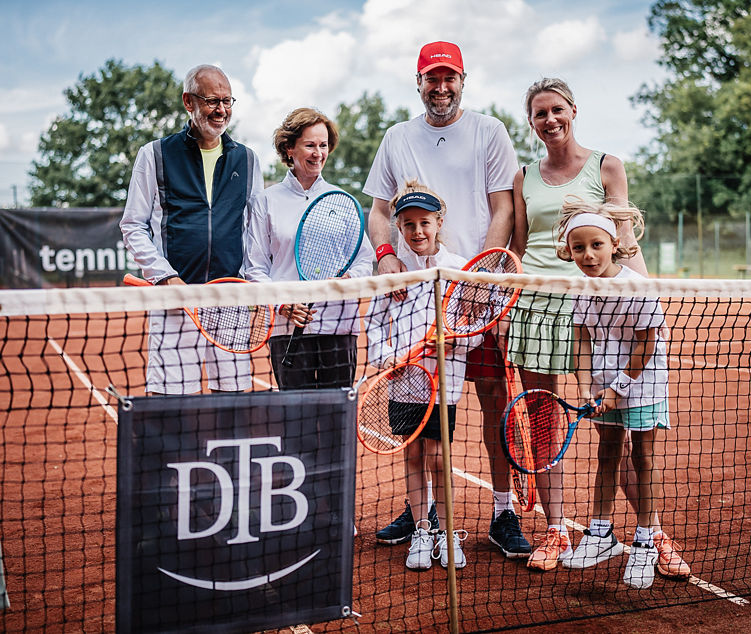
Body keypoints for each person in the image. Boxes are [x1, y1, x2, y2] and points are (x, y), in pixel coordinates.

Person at [512, 78, 689, 580]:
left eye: (558, 109)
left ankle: (651, 535)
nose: (550, 119)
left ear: (573, 110)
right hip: (539, 307)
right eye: (540, 113)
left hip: (604, 304)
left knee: (623, 436)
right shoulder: (524, 176)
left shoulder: (607, 165)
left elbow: (624, 238)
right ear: (532, 122)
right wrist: (508, 299)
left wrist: (645, 298)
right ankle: (558, 530)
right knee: (547, 422)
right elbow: (521, 245)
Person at [364, 41, 530, 558]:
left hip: (478, 295)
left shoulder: (490, 131)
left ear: (462, 80)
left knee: (493, 400)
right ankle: (424, 513)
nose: (441, 87)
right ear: (418, 83)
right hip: (415, 298)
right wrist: (386, 255)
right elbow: (378, 211)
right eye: (431, 78)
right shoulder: (396, 137)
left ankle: (502, 511)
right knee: (422, 415)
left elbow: (503, 209)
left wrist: (481, 277)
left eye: (449, 77)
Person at [120, 64, 263, 394]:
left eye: (227, 101)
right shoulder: (154, 154)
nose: (221, 110)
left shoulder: (248, 159)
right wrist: (165, 277)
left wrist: (252, 283)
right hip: (175, 301)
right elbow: (133, 225)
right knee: (169, 403)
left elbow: (255, 231)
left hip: (230, 300)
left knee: (232, 401)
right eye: (212, 100)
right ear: (188, 102)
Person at [553, 198, 670, 589]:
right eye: (579, 248)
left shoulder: (637, 287)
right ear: (569, 251)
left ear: (614, 244)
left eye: (596, 245)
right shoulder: (581, 289)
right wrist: (586, 387)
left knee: (643, 458)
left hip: (643, 383)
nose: (588, 255)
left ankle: (646, 542)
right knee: (607, 453)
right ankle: (600, 534)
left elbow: (647, 344)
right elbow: (582, 341)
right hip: (604, 384)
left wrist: (619, 388)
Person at [365, 181, 479, 570]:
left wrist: (457, 341)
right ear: (398, 227)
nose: (417, 231)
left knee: (439, 457)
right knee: (414, 454)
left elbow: (476, 324)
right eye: (409, 224)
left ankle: (447, 533)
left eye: (425, 222)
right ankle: (422, 531)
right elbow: (374, 323)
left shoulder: (459, 269)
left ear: (439, 223)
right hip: (404, 383)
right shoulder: (392, 272)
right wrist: (387, 359)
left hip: (444, 382)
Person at [245, 107, 373, 389]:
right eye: (310, 145)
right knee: (295, 413)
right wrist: (282, 304)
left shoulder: (342, 200)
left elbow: (364, 259)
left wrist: (349, 280)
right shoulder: (265, 201)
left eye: (323, 145)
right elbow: (254, 267)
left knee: (337, 412)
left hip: (339, 325)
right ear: (289, 148)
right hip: (286, 330)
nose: (318, 153)